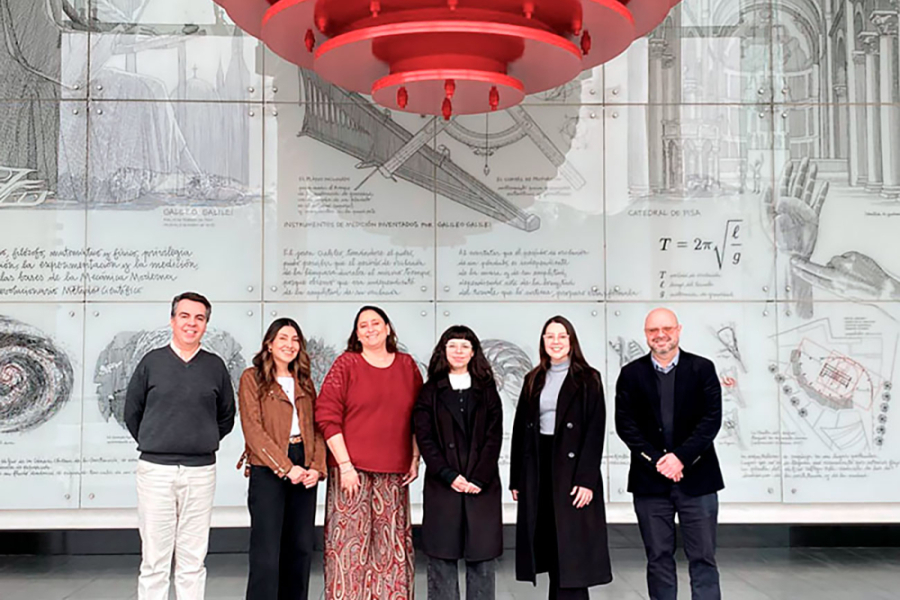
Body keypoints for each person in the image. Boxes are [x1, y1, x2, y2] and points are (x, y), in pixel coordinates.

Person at [124, 291, 236, 600]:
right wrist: (158, 440)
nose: (192, 323)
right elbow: (132, 413)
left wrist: (199, 440)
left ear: (205, 325)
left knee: (192, 558)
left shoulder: (215, 366)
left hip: (200, 472)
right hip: (155, 471)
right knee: (155, 560)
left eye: (199, 318)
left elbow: (226, 416)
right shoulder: (152, 362)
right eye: (185, 316)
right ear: (172, 320)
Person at [315, 305, 424, 600]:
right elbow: (327, 416)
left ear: (388, 328)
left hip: (394, 473)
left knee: (391, 551)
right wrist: (346, 466)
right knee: (348, 551)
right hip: (351, 473)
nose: (370, 329)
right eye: (363, 325)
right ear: (357, 334)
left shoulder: (406, 365)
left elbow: (419, 416)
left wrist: (415, 458)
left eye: (376, 323)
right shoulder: (346, 364)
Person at [614, 308, 724, 600]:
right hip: (650, 483)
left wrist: (680, 458)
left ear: (678, 330)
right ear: (646, 334)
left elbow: (710, 421)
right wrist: (659, 460)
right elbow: (626, 426)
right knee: (658, 558)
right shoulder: (631, 374)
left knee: (703, 558)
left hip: (698, 480)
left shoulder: (703, 369)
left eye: (666, 329)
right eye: (653, 331)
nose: (660, 335)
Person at [509, 316, 611, 600]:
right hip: (539, 467)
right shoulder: (534, 378)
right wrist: (517, 478)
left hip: (573, 469)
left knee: (572, 547)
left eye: (561, 336)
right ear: (543, 342)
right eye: (549, 336)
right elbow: (521, 430)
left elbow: (595, 430)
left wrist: (586, 479)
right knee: (551, 542)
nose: (555, 341)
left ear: (571, 340)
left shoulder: (588, 378)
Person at [237, 318, 327, 600]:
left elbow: (317, 427)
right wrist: (286, 468)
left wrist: (317, 468)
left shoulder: (305, 381)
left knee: (300, 547)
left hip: (304, 461)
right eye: (283, 338)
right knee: (267, 550)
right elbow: (253, 430)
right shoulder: (252, 378)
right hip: (269, 467)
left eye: (295, 340)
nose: (290, 345)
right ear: (269, 344)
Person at [414, 326, 504, 600]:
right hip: (443, 485)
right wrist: (448, 474)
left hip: (482, 485)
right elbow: (425, 438)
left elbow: (494, 436)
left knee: (482, 559)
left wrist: (479, 477)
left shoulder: (487, 390)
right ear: (443, 351)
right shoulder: (430, 391)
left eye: (465, 346)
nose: (458, 351)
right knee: (442, 558)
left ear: (474, 352)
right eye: (452, 346)